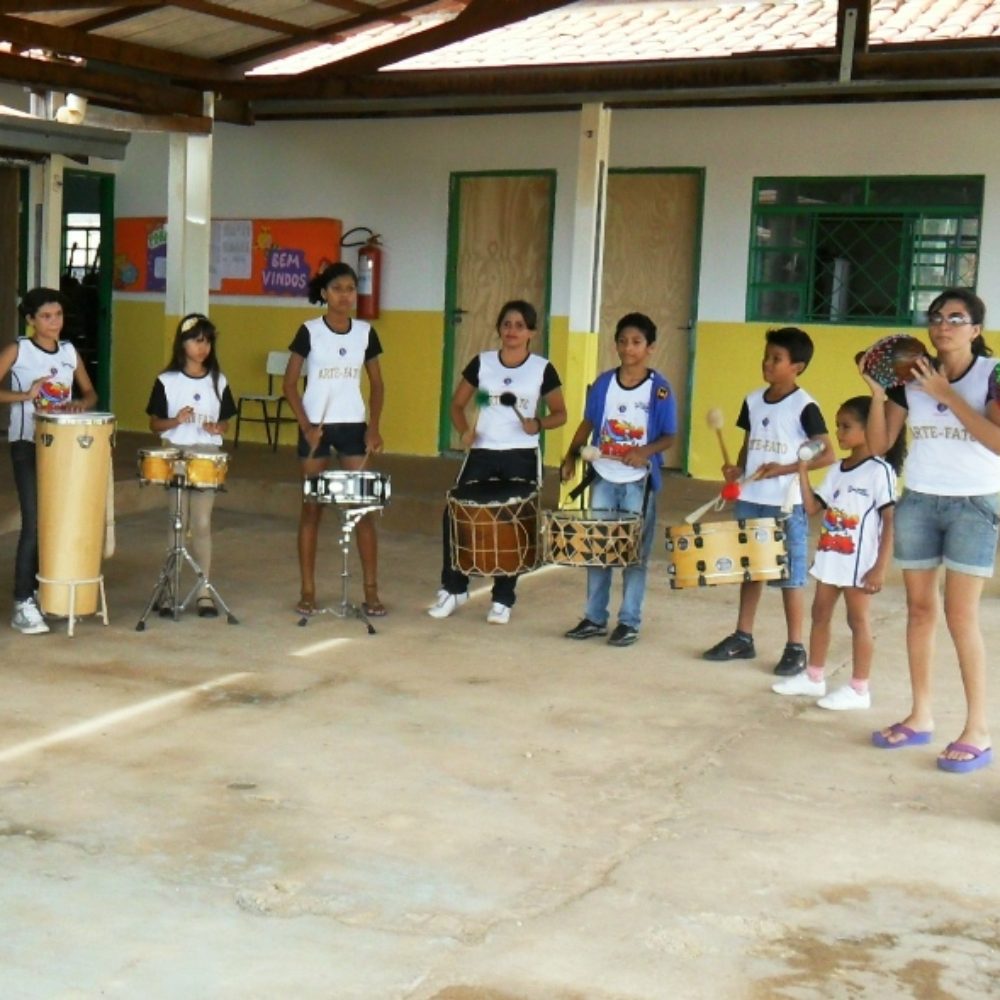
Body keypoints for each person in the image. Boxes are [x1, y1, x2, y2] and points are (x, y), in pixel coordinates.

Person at [865, 288, 1000, 773]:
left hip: (974, 503)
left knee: (961, 616)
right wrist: (880, 392)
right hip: (919, 499)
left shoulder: (993, 374)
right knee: (920, 611)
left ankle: (977, 730)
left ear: (976, 330)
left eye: (957, 318)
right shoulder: (911, 376)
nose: (944, 325)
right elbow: (880, 445)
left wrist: (946, 396)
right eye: (937, 316)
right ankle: (921, 716)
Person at [703, 327, 834, 674]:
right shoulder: (752, 400)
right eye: (767, 356)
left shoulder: (804, 406)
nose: (768, 363)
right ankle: (743, 637)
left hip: (784, 501)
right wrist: (737, 470)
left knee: (790, 576)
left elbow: (826, 452)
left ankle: (796, 647)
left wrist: (786, 468)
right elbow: (750, 445)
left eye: (777, 359)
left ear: (798, 367)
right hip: (752, 497)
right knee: (752, 570)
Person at [429, 299, 566, 625]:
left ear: (531, 331)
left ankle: (503, 598)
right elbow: (457, 405)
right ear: (499, 329)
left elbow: (561, 414)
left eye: (520, 325)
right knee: (456, 515)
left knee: (512, 524)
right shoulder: (483, 363)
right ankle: (454, 587)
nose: (512, 331)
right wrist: (464, 432)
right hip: (483, 453)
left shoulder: (541, 368)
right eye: (507, 324)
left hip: (521, 454)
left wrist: (539, 424)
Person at [772, 396, 902, 708]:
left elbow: (889, 520)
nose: (839, 434)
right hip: (831, 557)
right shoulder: (839, 470)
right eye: (837, 427)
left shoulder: (879, 471)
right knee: (820, 613)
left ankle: (859, 688)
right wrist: (802, 471)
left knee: (858, 621)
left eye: (846, 427)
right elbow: (814, 506)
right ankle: (814, 677)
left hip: (860, 563)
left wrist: (880, 567)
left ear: (869, 428)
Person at [559, 312, 677, 647]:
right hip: (604, 477)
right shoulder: (603, 384)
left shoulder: (660, 389)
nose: (629, 348)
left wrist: (645, 451)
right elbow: (587, 424)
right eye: (623, 341)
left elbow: (669, 436)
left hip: (639, 482)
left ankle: (629, 621)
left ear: (650, 347)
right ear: (615, 344)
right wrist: (570, 457)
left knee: (634, 553)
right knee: (600, 548)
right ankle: (595, 617)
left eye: (637, 342)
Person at [283, 262, 386, 618]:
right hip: (317, 430)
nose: (345, 295)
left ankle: (371, 592)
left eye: (350, 289)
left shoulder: (365, 332)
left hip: (354, 428)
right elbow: (289, 383)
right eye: (338, 288)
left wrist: (373, 428)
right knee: (312, 509)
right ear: (325, 293)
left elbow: (377, 384)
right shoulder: (309, 331)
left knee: (362, 511)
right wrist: (307, 425)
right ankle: (308, 591)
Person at [0, 287, 97, 634]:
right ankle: (22, 601)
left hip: (64, 446)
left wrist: (79, 406)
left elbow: (90, 393)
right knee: (34, 521)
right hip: (28, 443)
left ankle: (48, 589)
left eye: (58, 315)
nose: (54, 322)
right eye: (45, 316)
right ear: (30, 320)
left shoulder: (69, 352)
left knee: (59, 519)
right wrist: (25, 395)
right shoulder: (20, 349)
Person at [145, 313, 237, 617]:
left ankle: (204, 590)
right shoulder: (167, 381)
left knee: (201, 523)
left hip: (206, 455)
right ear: (182, 344)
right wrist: (177, 420)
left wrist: (217, 429)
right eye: (197, 341)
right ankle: (168, 589)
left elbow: (224, 422)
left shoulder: (218, 381)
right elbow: (155, 425)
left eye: (207, 341)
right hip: (176, 453)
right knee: (176, 521)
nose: (203, 348)